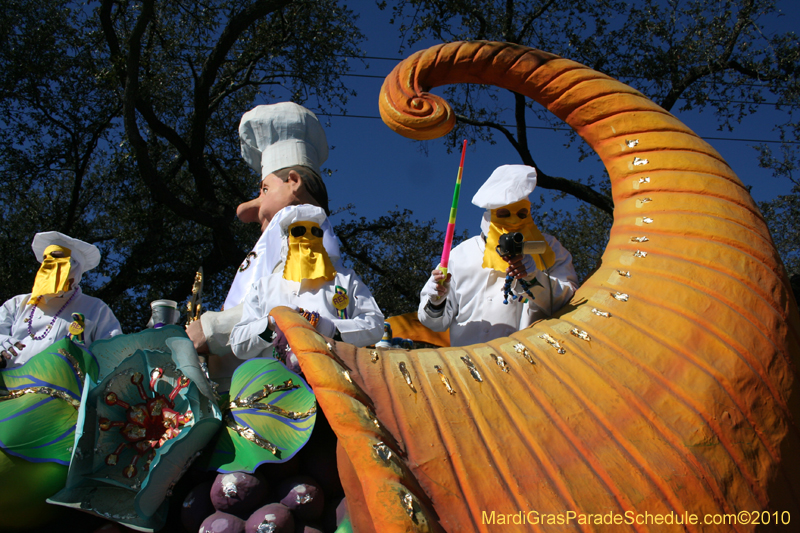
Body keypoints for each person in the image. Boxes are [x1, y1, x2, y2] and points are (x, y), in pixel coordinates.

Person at [185, 103, 336, 384]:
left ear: (293, 182)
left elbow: (290, 301)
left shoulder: (304, 232)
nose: (248, 208)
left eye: (264, 190)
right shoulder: (276, 237)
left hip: (280, 386)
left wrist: (212, 329)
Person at [418, 165, 578, 347]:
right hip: (469, 365)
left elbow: (570, 302)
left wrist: (533, 277)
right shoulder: (461, 255)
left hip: (529, 362)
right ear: (490, 214)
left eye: (522, 213)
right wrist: (436, 300)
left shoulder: (549, 249)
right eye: (504, 214)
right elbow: (434, 323)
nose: (513, 221)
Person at [230, 204, 384, 360]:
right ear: (286, 240)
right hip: (276, 378)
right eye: (298, 231)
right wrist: (272, 324)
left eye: (315, 232)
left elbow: (375, 324)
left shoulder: (345, 279)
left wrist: (330, 329)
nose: (308, 238)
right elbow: (238, 344)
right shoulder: (263, 286)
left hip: (335, 371)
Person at [0, 231, 122, 368]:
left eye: (57, 257)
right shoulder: (17, 304)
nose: (49, 263)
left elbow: (114, 356)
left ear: (76, 267)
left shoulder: (96, 309)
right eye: (45, 258)